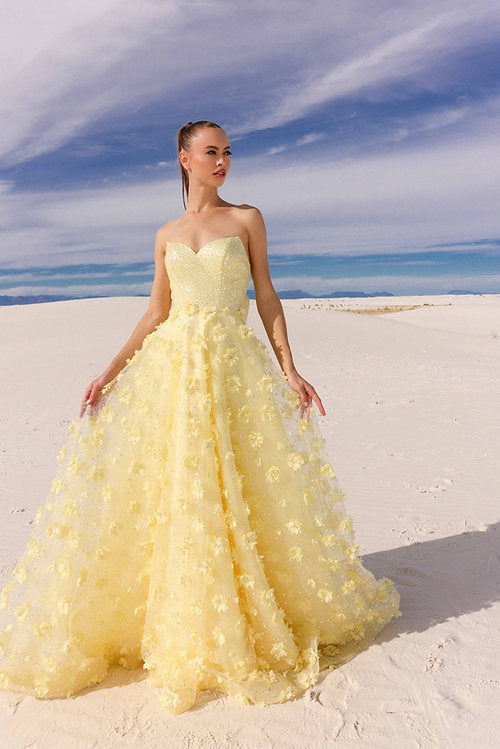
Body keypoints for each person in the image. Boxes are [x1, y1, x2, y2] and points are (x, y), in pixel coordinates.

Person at [0, 120, 401, 715]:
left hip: (231, 371)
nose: (224, 162)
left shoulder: (247, 219)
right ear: (184, 159)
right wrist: (108, 372)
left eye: (228, 152)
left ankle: (241, 609)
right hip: (172, 374)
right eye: (212, 152)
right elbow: (157, 311)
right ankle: (180, 615)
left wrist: (290, 367)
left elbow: (265, 295)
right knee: (174, 489)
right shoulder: (165, 233)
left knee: (238, 485)